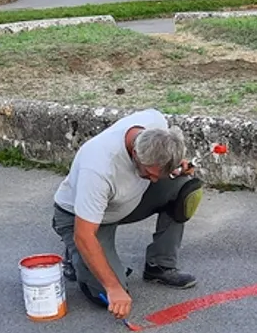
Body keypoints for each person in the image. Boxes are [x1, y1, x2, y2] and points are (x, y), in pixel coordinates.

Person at [51, 108, 204, 320]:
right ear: (135, 154)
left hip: (123, 202)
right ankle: (75, 255)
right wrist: (113, 287)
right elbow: (84, 234)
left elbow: (163, 164)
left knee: (182, 188)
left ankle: (160, 265)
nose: (153, 180)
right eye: (149, 174)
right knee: (109, 293)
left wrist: (177, 167)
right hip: (81, 219)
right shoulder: (99, 167)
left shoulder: (154, 122)